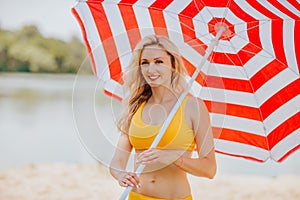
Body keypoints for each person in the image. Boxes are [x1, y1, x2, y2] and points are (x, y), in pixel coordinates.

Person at [109, 35, 216, 200]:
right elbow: (117, 161)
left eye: (159, 61)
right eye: (145, 62)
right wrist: (121, 175)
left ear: (173, 65)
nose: (151, 70)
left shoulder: (193, 106)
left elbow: (209, 169)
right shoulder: (136, 105)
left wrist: (172, 157)